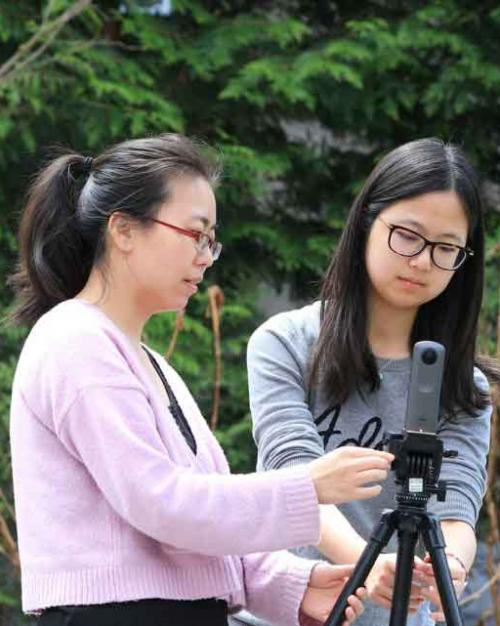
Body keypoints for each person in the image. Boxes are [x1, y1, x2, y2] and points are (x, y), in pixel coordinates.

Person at [7, 134, 396, 626]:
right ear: (124, 230)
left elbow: (199, 515)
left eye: (212, 240)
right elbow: (162, 505)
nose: (207, 257)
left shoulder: (148, 361)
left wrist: (290, 583)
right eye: (195, 234)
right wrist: (308, 485)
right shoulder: (75, 339)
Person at [236, 138, 497, 626]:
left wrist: (453, 568)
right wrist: (366, 562)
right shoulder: (286, 343)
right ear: (365, 224)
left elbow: (457, 503)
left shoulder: (466, 386)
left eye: (445, 249)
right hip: (283, 615)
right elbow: (294, 478)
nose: (421, 261)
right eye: (407, 235)